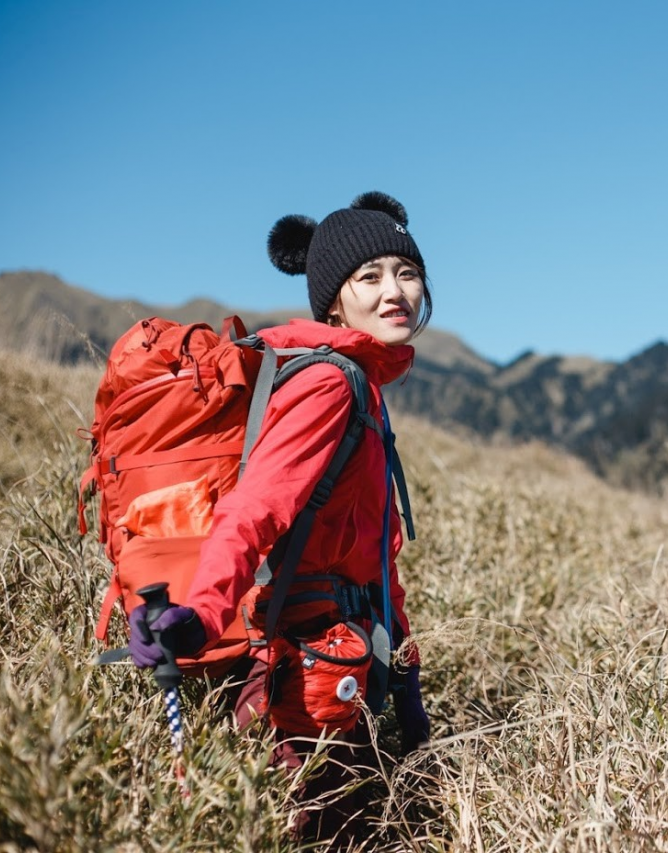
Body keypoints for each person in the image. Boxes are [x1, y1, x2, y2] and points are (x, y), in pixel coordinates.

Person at [127, 191, 432, 836]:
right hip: (304, 679)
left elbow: (375, 551)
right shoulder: (330, 384)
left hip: (345, 659)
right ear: (334, 302)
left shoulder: (366, 387)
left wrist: (404, 666)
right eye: (369, 277)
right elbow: (255, 509)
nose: (394, 291)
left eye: (406, 272)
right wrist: (206, 612)